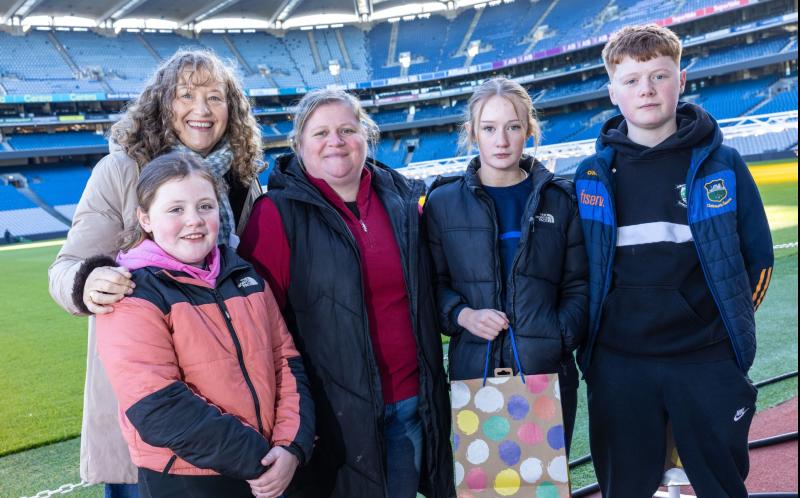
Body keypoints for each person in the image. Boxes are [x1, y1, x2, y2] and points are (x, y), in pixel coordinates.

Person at [47, 50, 264, 497]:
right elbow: (65, 268)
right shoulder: (123, 171)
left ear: (233, 109)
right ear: (163, 103)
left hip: (229, 409)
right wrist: (85, 283)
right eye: (186, 95)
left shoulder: (243, 179)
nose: (201, 110)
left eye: (215, 97)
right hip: (150, 408)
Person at [574, 24, 774, 497]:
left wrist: (724, 331)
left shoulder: (722, 164)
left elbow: (758, 260)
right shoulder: (590, 176)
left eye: (659, 76)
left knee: (718, 486)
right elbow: (579, 272)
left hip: (704, 359)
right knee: (626, 488)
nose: (646, 89)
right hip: (620, 366)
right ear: (612, 92)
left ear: (680, 81)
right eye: (631, 80)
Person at [239, 89, 454, 498]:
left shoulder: (403, 200)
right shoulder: (276, 215)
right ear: (299, 145)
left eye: (346, 129)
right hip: (335, 420)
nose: (335, 141)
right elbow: (258, 332)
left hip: (411, 405)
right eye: (320, 133)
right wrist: (289, 422)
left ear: (365, 137)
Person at [91, 152, 313, 498]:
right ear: (145, 218)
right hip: (190, 479)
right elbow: (157, 407)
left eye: (205, 206)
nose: (194, 220)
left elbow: (287, 362)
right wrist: (261, 461)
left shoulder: (244, 274)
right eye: (176, 209)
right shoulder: (131, 292)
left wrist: (290, 447)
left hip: (269, 469)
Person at [423, 77, 588, 454]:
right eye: (489, 128)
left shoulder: (559, 200)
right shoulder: (442, 203)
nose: (501, 140)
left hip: (547, 372)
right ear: (472, 133)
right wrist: (463, 315)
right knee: (486, 486)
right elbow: (431, 284)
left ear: (529, 130)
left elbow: (579, 284)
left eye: (513, 127)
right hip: (473, 375)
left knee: (543, 485)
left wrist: (556, 335)